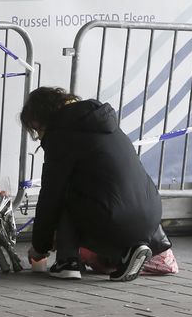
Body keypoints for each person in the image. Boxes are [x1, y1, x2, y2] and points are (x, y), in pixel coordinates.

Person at [21, 87, 179, 280]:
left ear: (43, 117)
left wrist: (39, 246)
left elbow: (50, 196)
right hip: (152, 215)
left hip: (113, 218)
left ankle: (67, 262)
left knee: (65, 193)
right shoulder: (102, 122)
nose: (39, 135)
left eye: (37, 129)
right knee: (104, 200)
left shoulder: (60, 135)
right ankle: (128, 253)